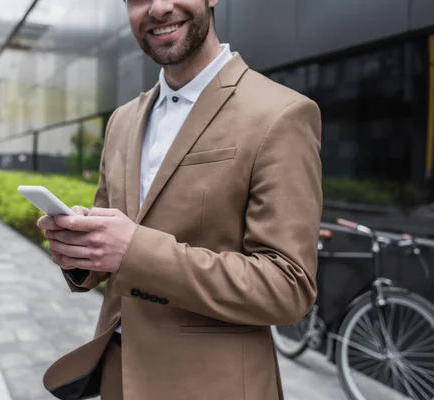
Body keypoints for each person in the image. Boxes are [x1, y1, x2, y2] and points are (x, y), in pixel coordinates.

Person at [39, 0, 322, 399]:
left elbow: (288, 287)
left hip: (213, 386)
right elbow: (113, 247)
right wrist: (79, 248)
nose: (158, 8)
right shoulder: (122, 120)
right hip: (119, 380)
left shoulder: (282, 113)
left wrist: (132, 250)